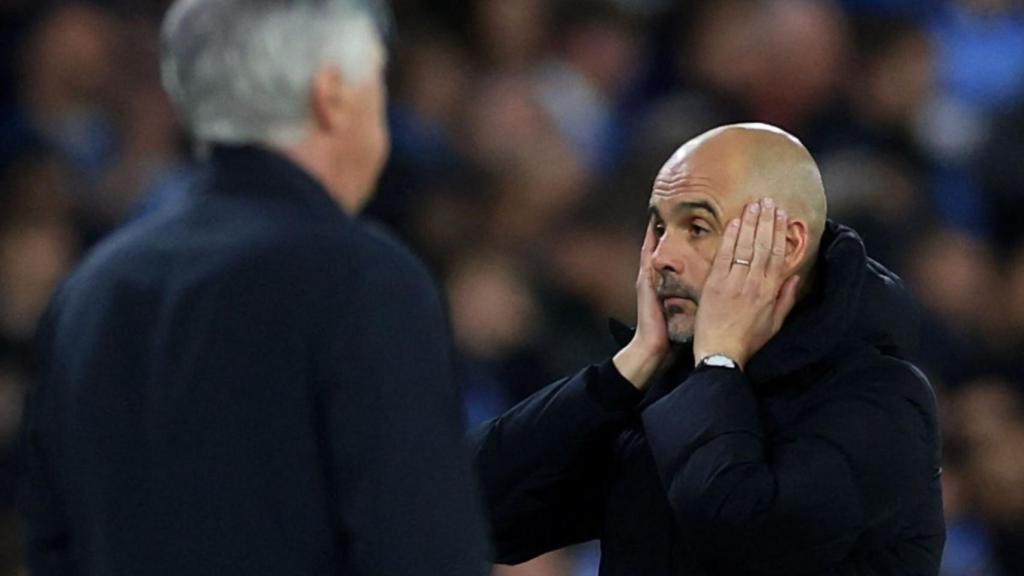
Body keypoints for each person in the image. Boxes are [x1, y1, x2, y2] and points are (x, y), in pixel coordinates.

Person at [19, 1, 489, 575]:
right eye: (377, 84)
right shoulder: (366, 278)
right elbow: (420, 550)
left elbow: (49, 541)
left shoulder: (90, 288)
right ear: (331, 96)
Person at [473, 123, 945, 574]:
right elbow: (473, 510)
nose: (661, 258)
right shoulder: (669, 390)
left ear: (788, 243)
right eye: (659, 229)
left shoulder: (884, 401)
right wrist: (631, 364)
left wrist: (718, 362)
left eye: (697, 227)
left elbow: (743, 533)